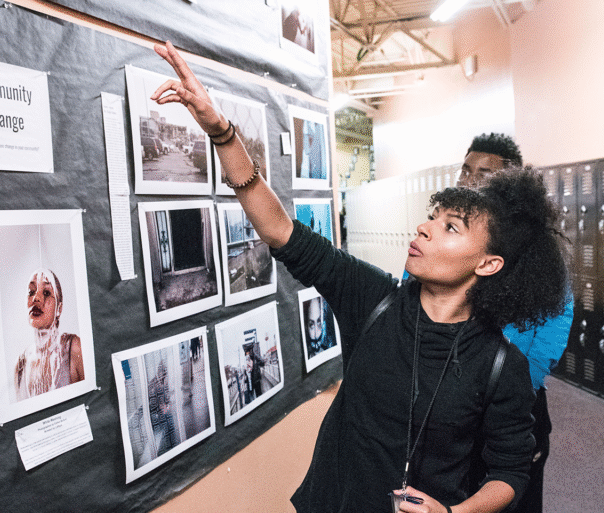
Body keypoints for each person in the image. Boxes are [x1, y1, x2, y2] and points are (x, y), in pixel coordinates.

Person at [151, 41, 569, 512]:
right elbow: (282, 232)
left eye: (450, 227)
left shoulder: (499, 364)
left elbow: (510, 471)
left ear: (488, 263)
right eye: (434, 216)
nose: (424, 227)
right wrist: (222, 133)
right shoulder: (373, 299)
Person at [457, 133, 574, 513]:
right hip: (453, 403)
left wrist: (520, 384)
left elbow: (556, 320)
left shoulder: (532, 244)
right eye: (466, 170)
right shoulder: (447, 235)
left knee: (513, 499)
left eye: (484, 174)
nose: (470, 181)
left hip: (517, 403)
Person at [14, 268, 84, 401]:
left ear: (59, 309)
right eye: (31, 292)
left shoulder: (73, 348)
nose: (36, 298)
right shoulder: (21, 365)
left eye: (46, 293)